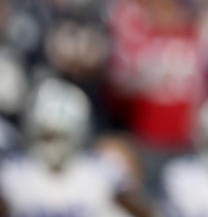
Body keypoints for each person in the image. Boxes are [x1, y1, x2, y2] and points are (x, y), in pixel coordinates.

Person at [0, 78, 154, 217]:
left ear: (78, 134)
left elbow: (144, 211)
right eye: (47, 136)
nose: (53, 146)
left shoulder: (101, 171)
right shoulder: (14, 173)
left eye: (61, 137)